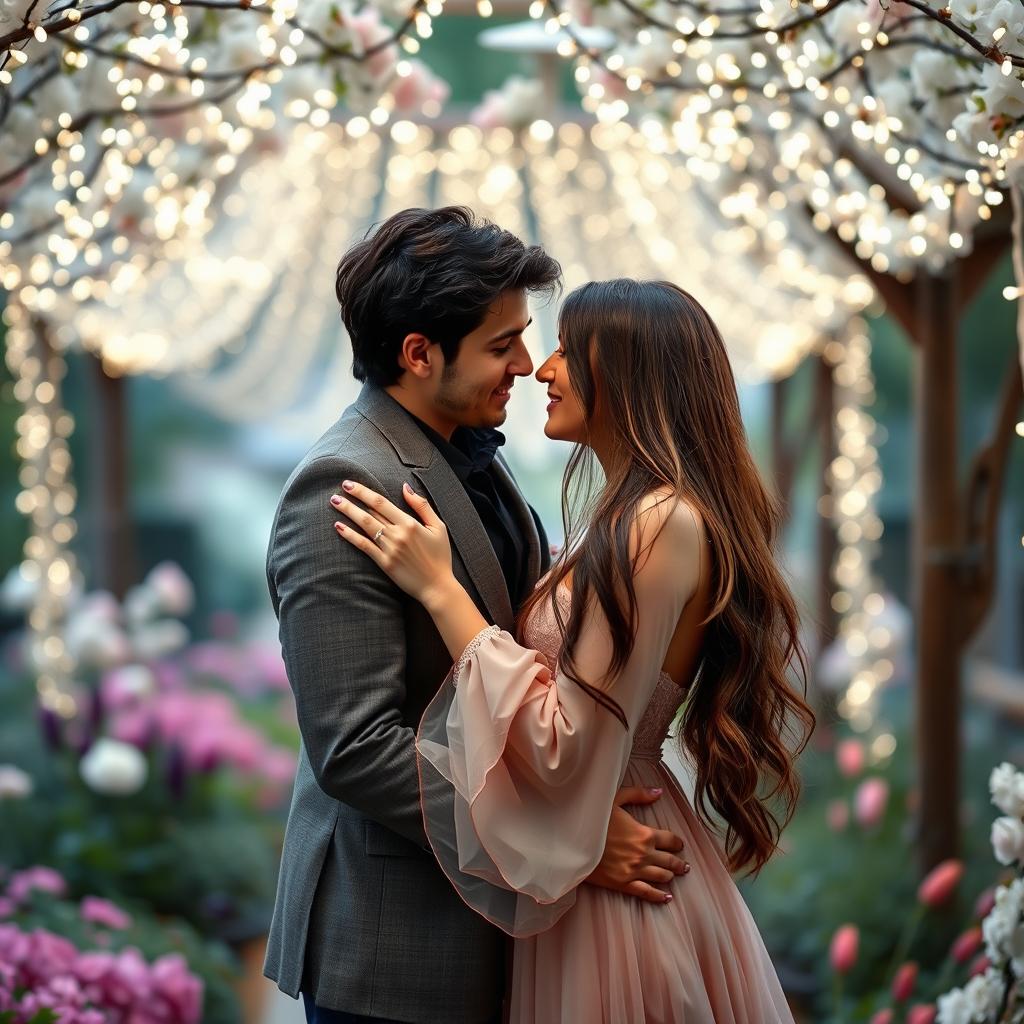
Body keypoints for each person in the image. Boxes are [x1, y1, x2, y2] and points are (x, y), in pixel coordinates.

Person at [332, 277, 816, 1023]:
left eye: (565, 349)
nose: (541, 369)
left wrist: (441, 591)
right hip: (597, 842)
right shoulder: (627, 519)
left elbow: (561, 745)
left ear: (629, 373)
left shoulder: (655, 524)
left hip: (617, 862)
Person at [264, 212, 691, 1024]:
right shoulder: (342, 489)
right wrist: (569, 843)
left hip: (500, 930)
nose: (528, 368)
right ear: (420, 354)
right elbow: (354, 748)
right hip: (397, 948)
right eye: (503, 346)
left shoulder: (469, 453)